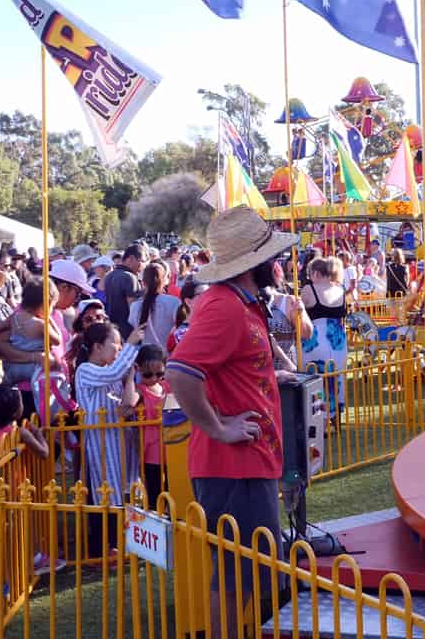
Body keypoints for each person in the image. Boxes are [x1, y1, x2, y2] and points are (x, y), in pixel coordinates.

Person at [166, 207, 296, 636]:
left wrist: (262, 378)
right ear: (254, 264)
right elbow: (181, 372)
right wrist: (219, 428)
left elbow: (229, 365)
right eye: (270, 257)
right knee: (238, 575)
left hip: (248, 462)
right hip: (231, 464)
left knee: (249, 573)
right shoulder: (223, 307)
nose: (277, 265)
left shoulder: (240, 303)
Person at [74, 321, 144, 507]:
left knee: (128, 493)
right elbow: (114, 372)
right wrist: (131, 343)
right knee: (109, 497)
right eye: (116, 343)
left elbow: (127, 404)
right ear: (97, 347)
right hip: (102, 443)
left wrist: (130, 377)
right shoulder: (85, 370)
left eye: (122, 344)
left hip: (122, 440)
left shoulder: (111, 372)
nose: (120, 348)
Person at [0, 277, 61, 384]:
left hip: (13, 368)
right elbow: (58, 340)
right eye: (52, 306)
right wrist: (50, 320)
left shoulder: (14, 318)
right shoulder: (41, 325)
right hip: (34, 368)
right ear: (46, 304)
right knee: (55, 367)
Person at [301, 258, 348, 420]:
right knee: (336, 376)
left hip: (315, 338)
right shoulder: (341, 288)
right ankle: (335, 413)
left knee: (315, 376)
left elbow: (299, 313)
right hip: (338, 340)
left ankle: (320, 415)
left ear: (315, 273)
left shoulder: (309, 289)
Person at [135, 344, 171, 506]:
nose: (155, 378)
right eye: (148, 374)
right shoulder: (139, 391)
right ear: (139, 369)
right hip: (151, 454)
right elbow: (128, 402)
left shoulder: (167, 387)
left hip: (171, 449)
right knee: (155, 498)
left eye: (160, 374)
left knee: (173, 494)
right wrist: (130, 375)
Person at [0, 384, 49, 458]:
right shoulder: (20, 433)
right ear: (14, 413)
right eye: (21, 403)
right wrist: (38, 434)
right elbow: (44, 453)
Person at [129, 262, 181, 349]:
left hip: (144, 356)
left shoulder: (135, 306)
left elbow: (133, 329)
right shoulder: (174, 302)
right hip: (166, 355)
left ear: (143, 282)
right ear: (164, 280)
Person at [104, 245, 145, 337]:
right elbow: (134, 309)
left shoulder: (110, 275)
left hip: (112, 330)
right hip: (127, 332)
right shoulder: (129, 277)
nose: (143, 265)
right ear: (131, 259)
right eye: (142, 261)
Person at [167, 280, 208, 353]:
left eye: (210, 294)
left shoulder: (215, 326)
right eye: (203, 295)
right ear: (188, 302)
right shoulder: (178, 335)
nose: (209, 298)